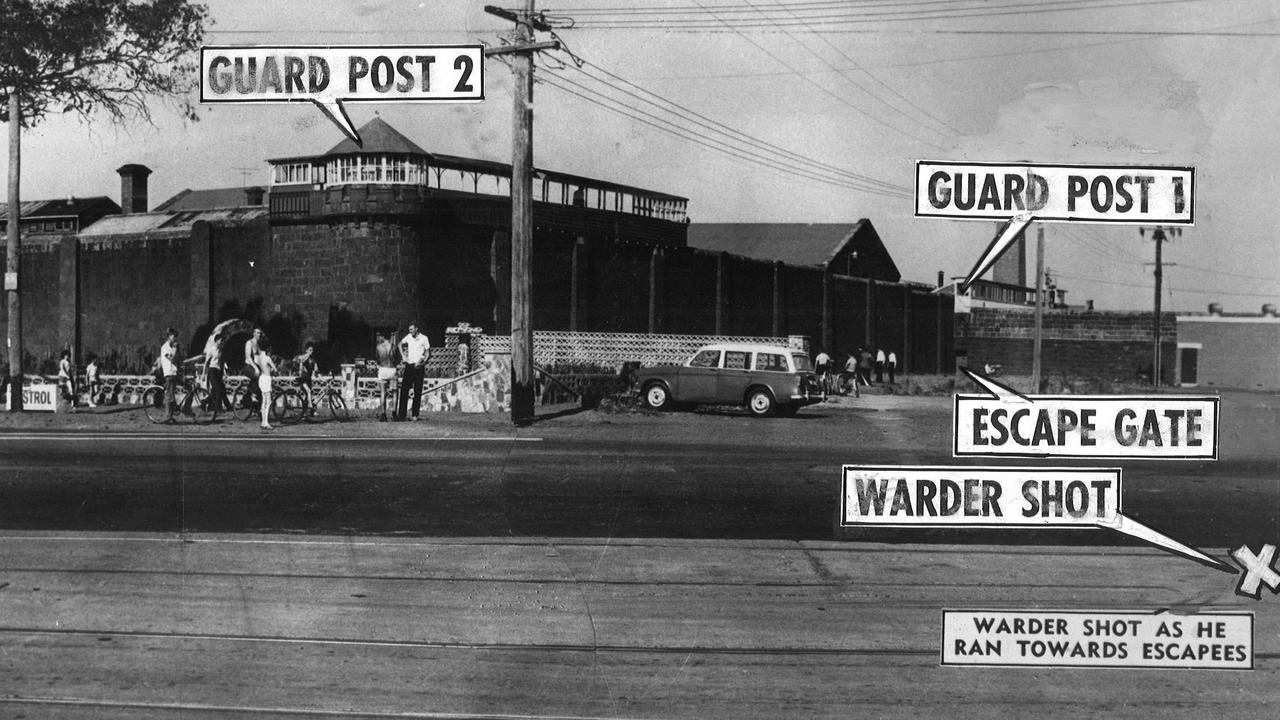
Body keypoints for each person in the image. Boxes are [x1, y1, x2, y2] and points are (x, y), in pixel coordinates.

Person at [397, 323, 430, 421]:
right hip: (409, 366)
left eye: (411, 329)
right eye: (409, 329)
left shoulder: (424, 338)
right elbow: (399, 344)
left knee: (418, 391)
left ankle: (415, 415)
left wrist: (423, 363)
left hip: (419, 367)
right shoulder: (408, 337)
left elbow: (428, 353)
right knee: (404, 390)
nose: (410, 331)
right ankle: (402, 415)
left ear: (416, 328)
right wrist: (403, 356)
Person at [375, 331, 398, 421]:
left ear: (383, 337)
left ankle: (383, 414)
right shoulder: (393, 346)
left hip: (382, 369)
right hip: (392, 369)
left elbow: (377, 359)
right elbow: (396, 359)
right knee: (395, 393)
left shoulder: (379, 347)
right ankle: (394, 414)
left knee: (383, 393)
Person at [254, 338, 277, 430]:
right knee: (268, 401)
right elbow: (275, 369)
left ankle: (263, 421)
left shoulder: (258, 358)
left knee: (264, 401)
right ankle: (266, 422)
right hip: (267, 378)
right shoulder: (267, 358)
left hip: (261, 378)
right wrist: (271, 370)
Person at [204, 335, 230, 415]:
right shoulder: (211, 349)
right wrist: (203, 374)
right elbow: (206, 362)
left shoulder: (221, 350)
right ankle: (219, 409)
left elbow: (222, 363)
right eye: (221, 340)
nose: (222, 342)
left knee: (221, 389)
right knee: (218, 390)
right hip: (212, 371)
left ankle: (205, 402)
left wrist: (225, 373)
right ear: (217, 341)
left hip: (218, 372)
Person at [241, 328, 264, 412]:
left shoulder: (257, 344)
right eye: (258, 333)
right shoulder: (249, 343)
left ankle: (257, 407)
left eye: (260, 333)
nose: (259, 335)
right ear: (254, 333)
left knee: (263, 380)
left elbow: (262, 356)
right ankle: (253, 396)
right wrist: (256, 368)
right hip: (248, 366)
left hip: (255, 366)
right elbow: (248, 357)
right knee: (258, 376)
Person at [294, 341, 317, 417]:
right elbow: (299, 360)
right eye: (310, 350)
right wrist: (307, 355)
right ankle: (310, 406)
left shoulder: (312, 360)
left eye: (312, 350)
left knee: (307, 396)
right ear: (306, 350)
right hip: (303, 378)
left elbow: (316, 369)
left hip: (308, 379)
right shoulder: (304, 357)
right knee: (308, 391)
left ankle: (304, 414)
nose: (311, 352)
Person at [160, 328, 180, 413]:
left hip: (174, 372)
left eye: (176, 336)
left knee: (172, 395)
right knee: (169, 396)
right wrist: (175, 349)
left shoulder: (172, 347)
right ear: (169, 336)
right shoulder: (165, 347)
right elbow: (171, 358)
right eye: (173, 336)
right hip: (168, 373)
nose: (175, 338)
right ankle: (168, 416)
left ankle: (171, 414)